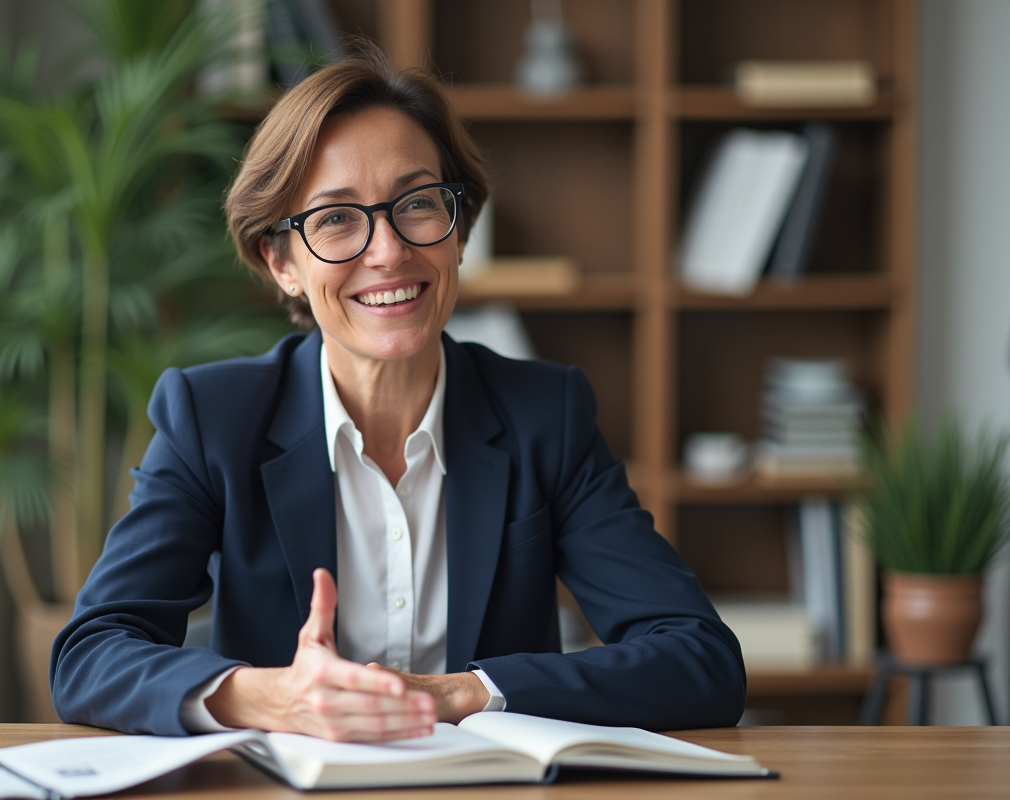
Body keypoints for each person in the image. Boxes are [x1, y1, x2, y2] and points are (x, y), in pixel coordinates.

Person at [50, 48, 745, 740]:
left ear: (460, 230)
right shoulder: (212, 419)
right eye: (335, 219)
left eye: (416, 204)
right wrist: (270, 700)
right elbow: (90, 656)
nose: (387, 251)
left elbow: (701, 659)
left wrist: (456, 694)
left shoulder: (546, 415)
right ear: (281, 262)